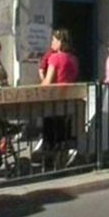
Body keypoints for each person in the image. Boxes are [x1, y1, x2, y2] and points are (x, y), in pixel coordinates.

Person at [39, 29, 79, 167]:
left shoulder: (55, 58)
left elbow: (48, 82)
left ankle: (51, 162)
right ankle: (63, 159)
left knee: (51, 133)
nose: (52, 43)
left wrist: (41, 81)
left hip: (54, 101)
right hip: (68, 100)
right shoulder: (73, 59)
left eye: (54, 40)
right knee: (64, 131)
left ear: (60, 42)